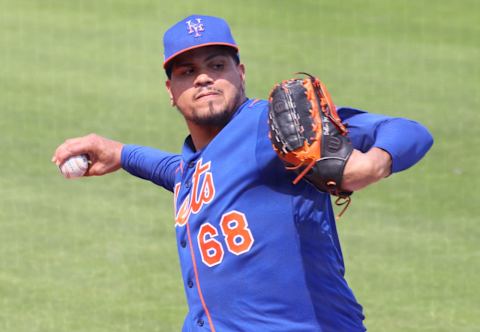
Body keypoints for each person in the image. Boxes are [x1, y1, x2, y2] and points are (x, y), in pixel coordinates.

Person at [52, 15, 433, 332]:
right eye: (188, 71)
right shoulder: (195, 166)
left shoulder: (272, 125)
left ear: (241, 73)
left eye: (217, 65)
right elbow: (181, 171)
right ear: (171, 90)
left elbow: (410, 131)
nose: (203, 78)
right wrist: (121, 153)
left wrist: (372, 164)